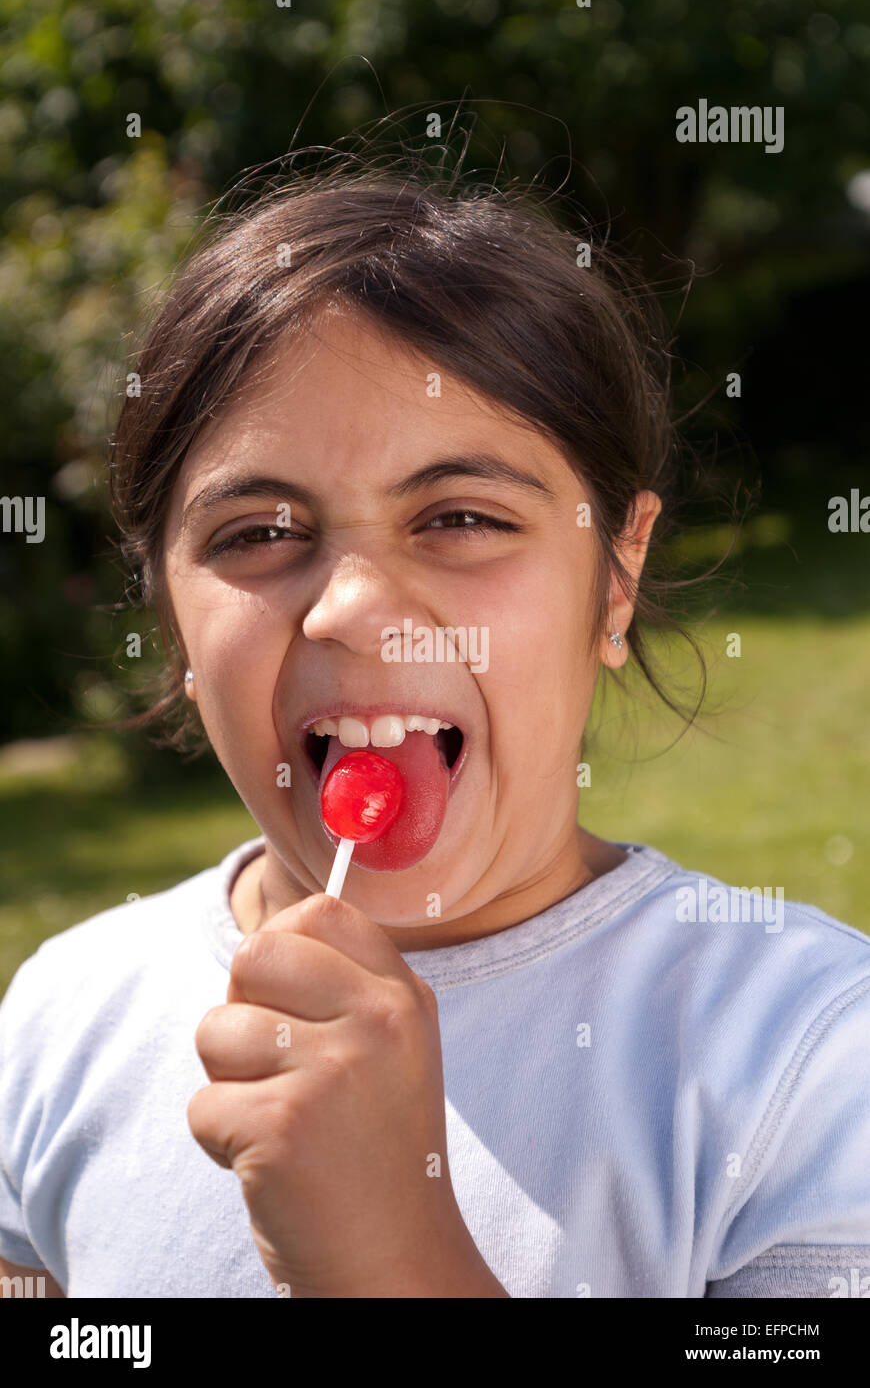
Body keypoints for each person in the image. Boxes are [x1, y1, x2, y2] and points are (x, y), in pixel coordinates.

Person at [1, 155, 868, 1299]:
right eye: (257, 532)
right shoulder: (66, 1013)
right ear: (167, 614)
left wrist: (392, 1260)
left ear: (616, 575)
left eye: (462, 516)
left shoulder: (807, 1057)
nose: (354, 610)